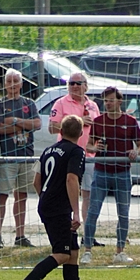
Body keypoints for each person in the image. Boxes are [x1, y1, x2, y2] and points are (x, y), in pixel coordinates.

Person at [7, 115, 100, 280]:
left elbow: (36, 181)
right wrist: (76, 212)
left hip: (47, 204)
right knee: (62, 253)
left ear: (61, 131)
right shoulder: (77, 152)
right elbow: (71, 179)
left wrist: (46, 198)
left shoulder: (48, 150)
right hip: (59, 209)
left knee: (72, 252)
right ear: (81, 133)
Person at [82, 86, 140, 265]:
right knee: (93, 211)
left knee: (123, 213)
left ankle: (120, 251)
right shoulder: (99, 121)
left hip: (123, 172)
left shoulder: (130, 121)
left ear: (119, 101)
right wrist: (95, 148)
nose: (107, 103)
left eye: (110, 100)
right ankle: (87, 250)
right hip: (101, 171)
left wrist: (135, 152)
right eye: (105, 101)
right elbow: (88, 145)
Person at [0, 69, 41, 249]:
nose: (12, 84)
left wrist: (14, 121)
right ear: (4, 84)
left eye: (15, 81)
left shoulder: (29, 103)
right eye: (9, 81)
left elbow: (37, 124)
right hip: (7, 157)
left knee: (22, 196)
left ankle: (20, 235)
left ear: (21, 84)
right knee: (2, 194)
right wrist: (21, 127)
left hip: (26, 157)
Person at [49, 73, 102, 229]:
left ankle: (88, 233)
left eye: (78, 83)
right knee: (66, 192)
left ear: (86, 86)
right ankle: (66, 228)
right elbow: (52, 127)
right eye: (71, 83)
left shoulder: (93, 106)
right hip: (67, 155)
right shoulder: (60, 103)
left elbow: (98, 129)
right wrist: (78, 121)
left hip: (89, 156)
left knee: (89, 196)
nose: (74, 86)